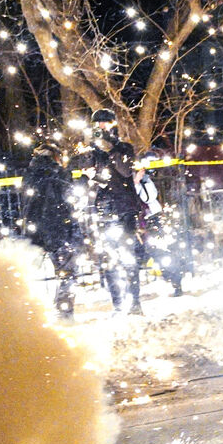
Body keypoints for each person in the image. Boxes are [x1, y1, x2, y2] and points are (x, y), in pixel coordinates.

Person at [82, 108, 145, 315]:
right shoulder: (92, 152)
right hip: (104, 211)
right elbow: (92, 178)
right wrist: (91, 171)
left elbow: (125, 171)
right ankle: (118, 305)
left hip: (125, 209)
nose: (101, 127)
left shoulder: (124, 148)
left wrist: (111, 147)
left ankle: (135, 303)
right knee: (108, 260)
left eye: (105, 123)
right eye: (97, 124)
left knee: (128, 257)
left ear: (112, 125)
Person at [20, 140, 83, 321]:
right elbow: (70, 199)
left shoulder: (29, 175)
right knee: (67, 274)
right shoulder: (60, 173)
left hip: (35, 231)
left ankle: (32, 314)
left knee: (33, 276)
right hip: (60, 230)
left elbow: (26, 203)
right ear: (56, 157)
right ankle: (64, 313)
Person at [134, 156, 185, 296]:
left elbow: (149, 197)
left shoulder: (145, 181)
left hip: (152, 219)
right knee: (152, 252)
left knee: (161, 251)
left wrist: (138, 181)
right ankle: (172, 277)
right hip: (139, 221)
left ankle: (175, 280)